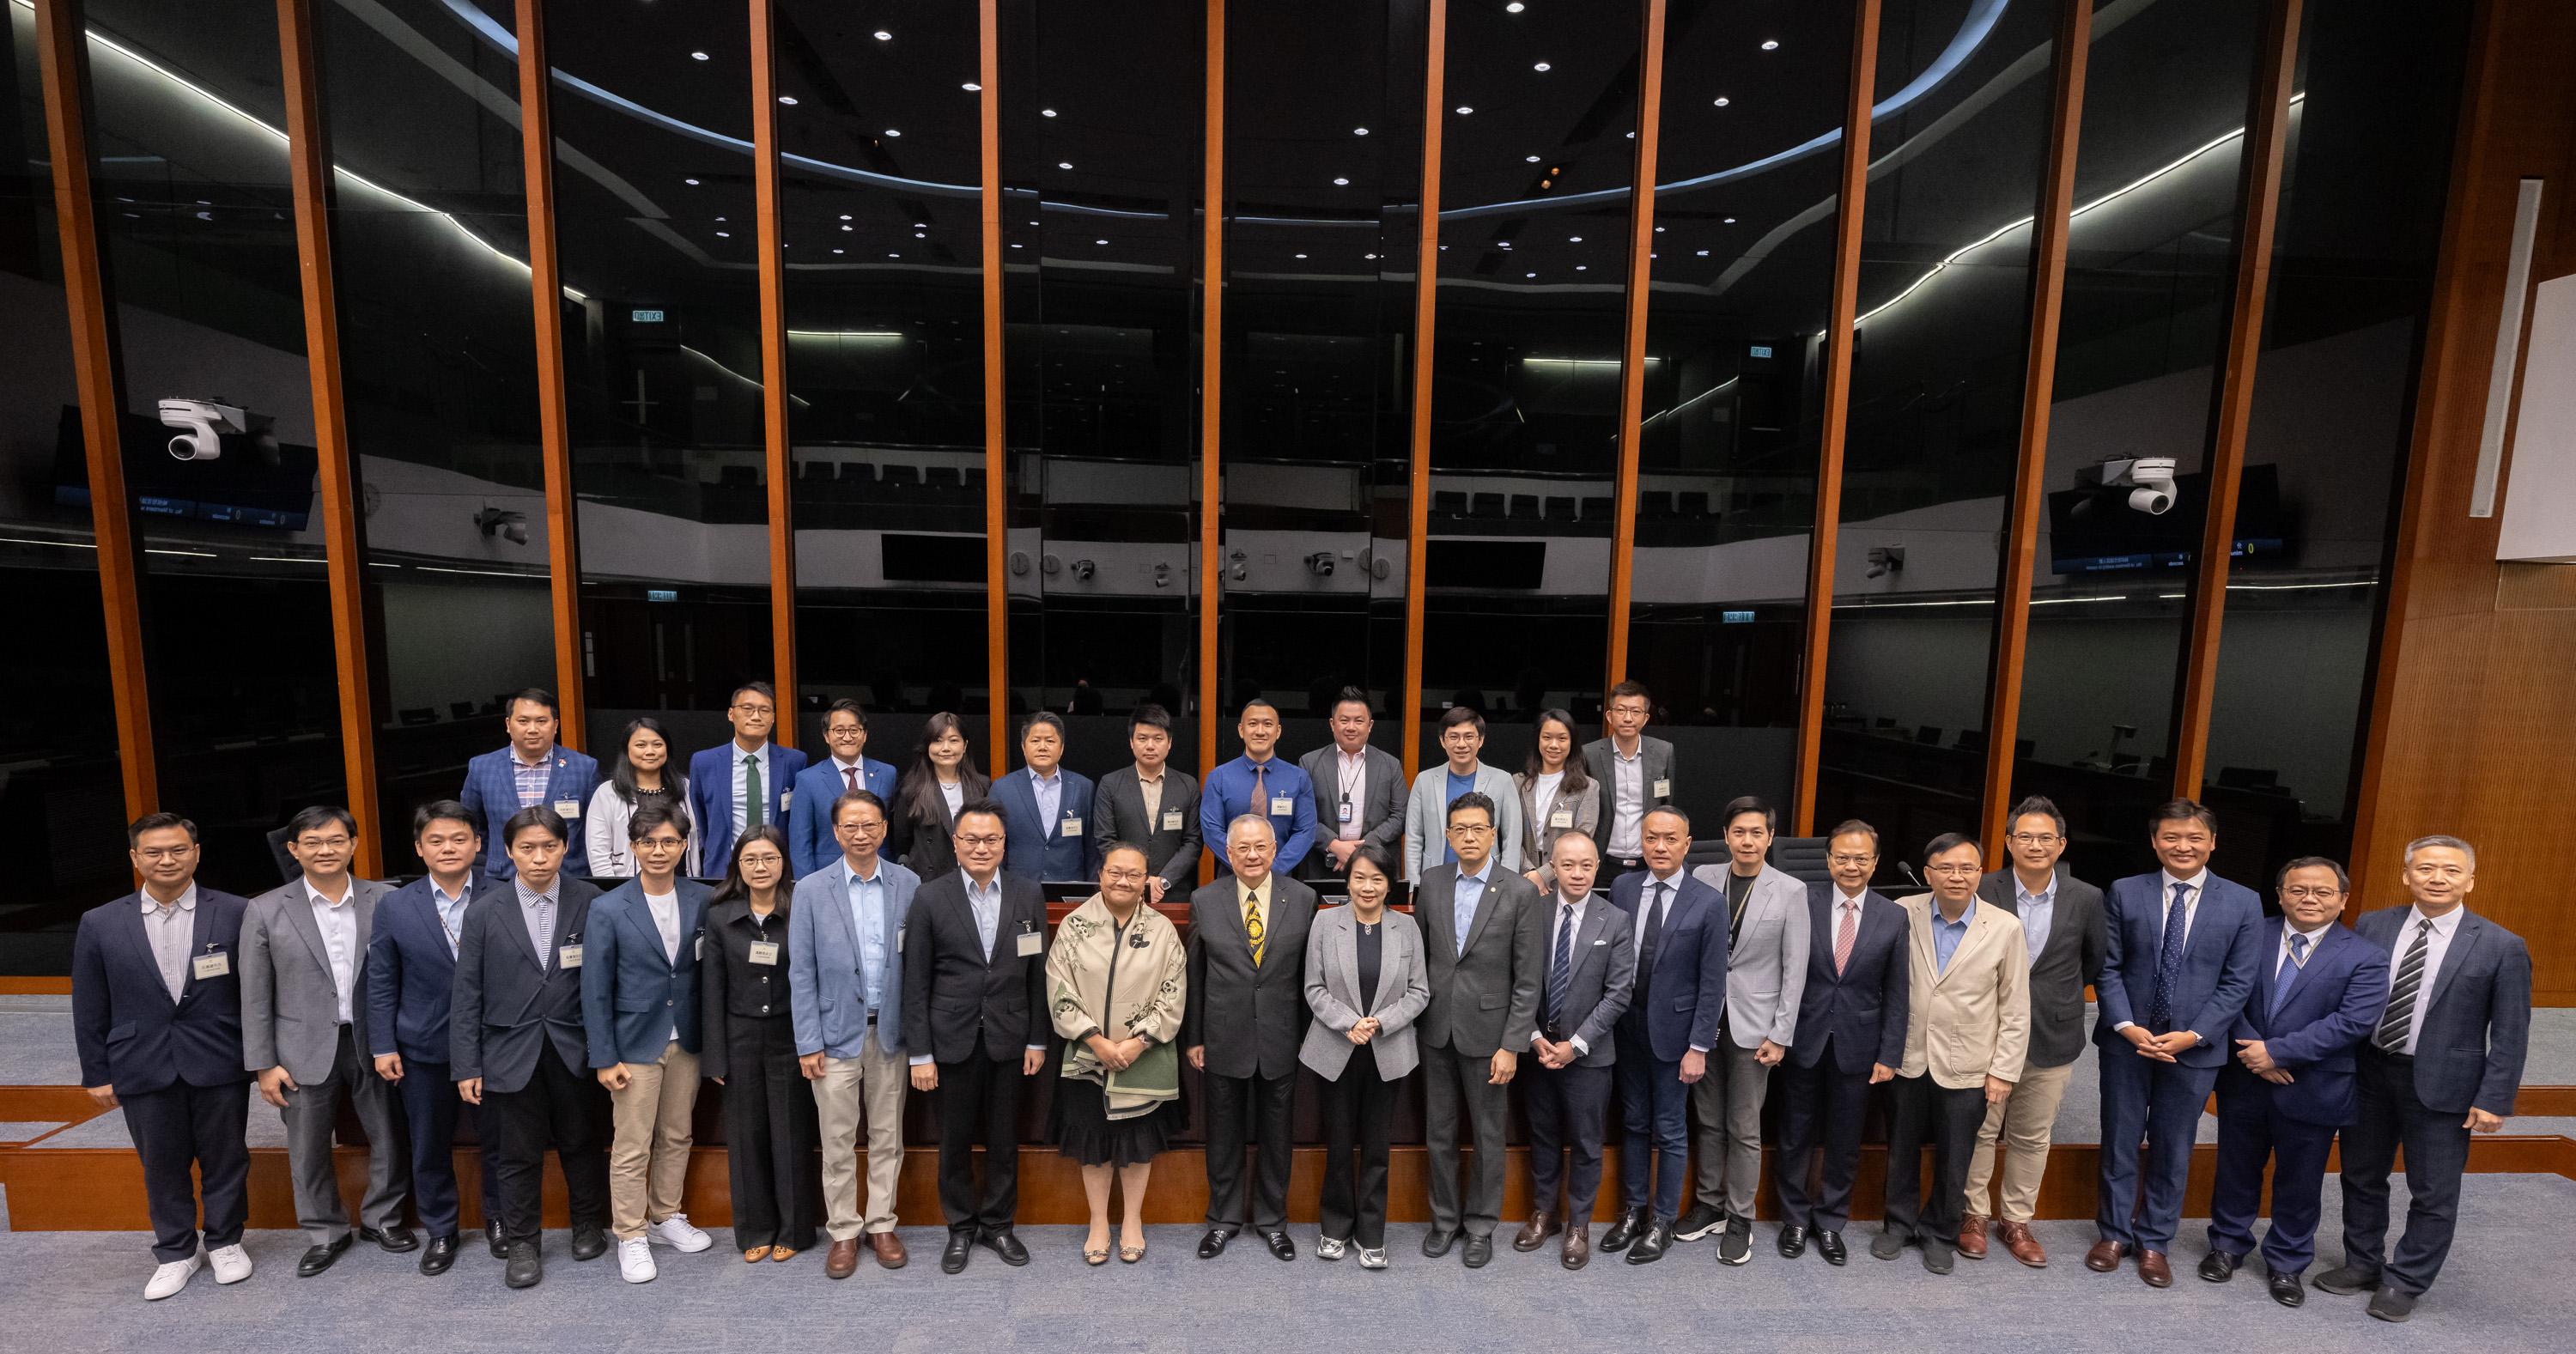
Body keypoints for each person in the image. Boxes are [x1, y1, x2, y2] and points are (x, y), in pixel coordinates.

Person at [2318, 834, 2531, 1322]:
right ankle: (2362, 1263)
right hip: (2369, 1072)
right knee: (2361, 1174)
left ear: (2471, 881)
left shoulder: (2502, 945)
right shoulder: (2373, 925)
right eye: (2427, 868)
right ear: (2406, 875)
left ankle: (2406, 1280)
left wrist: (2495, 1097)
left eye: (2452, 871)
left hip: (2445, 1084)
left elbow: (2513, 1032)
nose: (2438, 878)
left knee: (2434, 1190)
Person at [71, 813, 256, 1301]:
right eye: (153, 852)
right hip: (141, 1060)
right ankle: (176, 1250)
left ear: (196, 852)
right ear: (135, 859)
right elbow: (90, 1004)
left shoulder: (237, 912)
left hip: (218, 1055)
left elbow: (256, 992)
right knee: (161, 1162)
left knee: (226, 1156)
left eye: (178, 849)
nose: (167, 860)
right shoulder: (101, 922)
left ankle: (225, 1241)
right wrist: (97, 1072)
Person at [2088, 798, 2263, 1288]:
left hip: (2197, 1047)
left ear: (2212, 842)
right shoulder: (2125, 891)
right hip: (2128, 1042)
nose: (2182, 846)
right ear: (2154, 842)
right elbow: (2109, 966)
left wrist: (2193, 1035)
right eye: (2171, 837)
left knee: (2173, 1145)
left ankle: (2154, 1241)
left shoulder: (2243, 901)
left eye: (2193, 838)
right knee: (2120, 1139)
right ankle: (2114, 1234)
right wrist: (2125, 1024)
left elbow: (2238, 981)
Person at [2203, 857, 2388, 1307]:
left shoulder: (2365, 955)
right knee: (2235, 1166)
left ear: (2343, 900)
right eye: (2299, 890)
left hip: (2315, 1084)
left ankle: (2287, 1263)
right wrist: (2255, 1052)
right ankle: (2226, 1244)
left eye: (2323, 892)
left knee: (2301, 1180)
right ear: (2280, 894)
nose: (2310, 899)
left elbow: (2352, 1022)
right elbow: (2224, 992)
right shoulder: (2252, 934)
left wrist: (2278, 1053)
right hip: (2245, 1075)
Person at [242, 805, 409, 1278]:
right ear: (294, 850)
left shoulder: (387, 899)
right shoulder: (266, 908)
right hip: (299, 1048)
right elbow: (254, 995)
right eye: (312, 843)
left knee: (388, 1135)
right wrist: (263, 1063)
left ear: (354, 844)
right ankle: (324, 1231)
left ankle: (384, 1219)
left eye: (336, 840)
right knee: (307, 1146)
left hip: (375, 1040)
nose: (326, 850)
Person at [453, 806, 611, 1289]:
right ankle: (523, 1243)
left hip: (574, 1045)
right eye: (527, 848)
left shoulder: (592, 901)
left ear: (565, 848)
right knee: (516, 1153)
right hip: (509, 1050)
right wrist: (466, 1064)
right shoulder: (483, 911)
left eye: (549, 847)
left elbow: (605, 981)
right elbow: (467, 994)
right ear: (508, 852)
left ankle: (588, 1224)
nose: (539, 858)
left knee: (581, 1141)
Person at [902, 800, 1048, 1273]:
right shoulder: (930, 896)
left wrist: (1037, 1040)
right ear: (955, 843)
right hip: (951, 1041)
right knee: (956, 1141)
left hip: (1010, 1038)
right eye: (972, 839)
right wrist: (919, 1053)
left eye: (991, 840)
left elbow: (1038, 974)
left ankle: (1000, 1226)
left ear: (1004, 844)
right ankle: (961, 1229)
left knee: (1005, 1139)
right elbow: (916, 981)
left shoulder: (1029, 894)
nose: (981, 847)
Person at [1961, 795, 2105, 1266]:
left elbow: (2093, 962)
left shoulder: (2086, 897)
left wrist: (2053, 998)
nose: (2036, 845)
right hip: (1985, 1033)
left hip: (2052, 1033)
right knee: (1980, 1131)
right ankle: (1973, 1215)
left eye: (2046, 838)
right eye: (2025, 836)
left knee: (2031, 1134)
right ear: (2008, 842)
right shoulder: (1981, 888)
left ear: (2061, 844)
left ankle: (2017, 1221)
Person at [1875, 834, 2028, 1275]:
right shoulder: (1903, 912)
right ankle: (1898, 1225)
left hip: (1969, 1063)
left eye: (1966, 868)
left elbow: (2015, 1006)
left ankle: (1939, 1232)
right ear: (1928, 874)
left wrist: (2003, 1071)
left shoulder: (2004, 927)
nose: (1956, 876)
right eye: (1945, 868)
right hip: (1907, 1054)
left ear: (1981, 873)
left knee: (1955, 1153)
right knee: (1900, 1146)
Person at [368, 800, 505, 1272]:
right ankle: (441, 1231)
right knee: (428, 1143)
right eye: (437, 841)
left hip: (492, 1043)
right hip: (421, 1045)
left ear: (478, 844)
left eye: (459, 839)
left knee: (499, 1139)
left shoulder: (504, 894)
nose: (449, 848)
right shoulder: (395, 906)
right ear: (419, 849)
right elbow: (382, 980)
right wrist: (383, 1044)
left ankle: (500, 1220)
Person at [580, 801, 713, 1283]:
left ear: (684, 846)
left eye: (670, 842)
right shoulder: (608, 907)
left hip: (688, 1039)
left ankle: (666, 1215)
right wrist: (604, 1055)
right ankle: (631, 1234)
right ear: (633, 847)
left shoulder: (703, 899)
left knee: (677, 1134)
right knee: (632, 1143)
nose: (660, 851)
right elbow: (594, 988)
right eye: (649, 842)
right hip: (633, 1043)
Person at [790, 794, 918, 1277]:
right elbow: (801, 972)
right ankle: (843, 1231)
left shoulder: (909, 884)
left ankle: (882, 1223)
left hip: (891, 1032)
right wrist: (808, 1042)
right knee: (838, 1139)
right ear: (837, 832)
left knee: (888, 1136)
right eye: (850, 827)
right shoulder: (811, 890)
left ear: (884, 829)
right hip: (833, 1034)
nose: (860, 834)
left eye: (869, 825)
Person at [1413, 791, 1542, 1268]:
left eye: (1478, 829)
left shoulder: (1520, 891)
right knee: (1440, 1131)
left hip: (1491, 1036)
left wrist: (1512, 1045)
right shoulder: (1431, 882)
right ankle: (1445, 1221)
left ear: (1494, 834)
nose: (1468, 837)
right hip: (1436, 1030)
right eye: (1459, 830)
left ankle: (1481, 1226)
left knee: (1489, 1134)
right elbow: (1420, 958)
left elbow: (1529, 980)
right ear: (1448, 836)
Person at [1680, 795, 1809, 1262]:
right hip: (1705, 1023)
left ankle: (1740, 1216)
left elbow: (1795, 970)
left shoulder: (1791, 890)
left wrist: (1781, 1034)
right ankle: (1709, 1204)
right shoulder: (1703, 877)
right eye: (1739, 832)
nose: (1747, 840)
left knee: (1744, 1126)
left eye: (1757, 832)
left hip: (1755, 1026)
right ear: (1727, 836)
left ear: (1771, 837)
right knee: (1708, 1120)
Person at [1183, 816, 1319, 1260]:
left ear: (1275, 849)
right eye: (1243, 848)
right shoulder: (1205, 899)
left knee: (1278, 1135)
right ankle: (1223, 1219)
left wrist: (1306, 1034)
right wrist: (1195, 1037)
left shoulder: (1302, 899)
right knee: (1223, 1134)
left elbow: (1308, 976)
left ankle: (1272, 1221)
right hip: (1223, 1035)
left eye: (1261, 847)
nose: (1253, 856)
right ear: (1227, 851)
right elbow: (1196, 973)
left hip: (1283, 1036)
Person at [1047, 844, 1188, 1266]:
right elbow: (1059, 987)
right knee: (1093, 1143)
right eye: (1115, 872)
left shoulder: (1162, 930)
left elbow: (1173, 990)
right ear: (1100, 874)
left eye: (1133, 874)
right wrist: (1096, 1041)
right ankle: (1096, 1223)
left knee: (1136, 1145)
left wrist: (1136, 1042)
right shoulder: (1074, 925)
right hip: (1088, 1055)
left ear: (1146, 880)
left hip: (1141, 1056)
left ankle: (1131, 1221)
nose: (1123, 881)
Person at [1774, 820, 1907, 1266]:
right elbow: (1782, 972)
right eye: (1842, 857)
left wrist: (1890, 1054)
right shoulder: (1801, 902)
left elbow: (1897, 992)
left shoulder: (1894, 915)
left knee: (1845, 1139)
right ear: (1828, 860)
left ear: (1875, 862)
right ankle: (1794, 1218)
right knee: (1795, 1133)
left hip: (1860, 1045)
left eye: (1861, 858)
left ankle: (1830, 1222)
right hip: (1803, 1038)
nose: (1851, 866)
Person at [1601, 807, 1728, 1265]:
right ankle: (1634, 1212)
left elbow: (1713, 982)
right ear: (1641, 840)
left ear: (1687, 844)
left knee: (1670, 1130)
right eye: (1651, 838)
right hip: (1626, 1026)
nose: (1659, 847)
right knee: (1633, 1122)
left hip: (1676, 1036)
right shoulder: (1623, 887)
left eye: (1670, 839)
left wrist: (1699, 1046)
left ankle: (1662, 1222)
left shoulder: (1708, 901)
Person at [1302, 842, 1429, 1270]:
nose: (1368, 886)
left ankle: (1372, 1234)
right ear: (1348, 880)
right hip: (1336, 1049)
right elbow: (1313, 988)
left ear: (1389, 883)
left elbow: (1419, 992)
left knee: (1377, 1146)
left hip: (1388, 1049)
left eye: (1377, 878)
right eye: (1359, 878)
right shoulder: (1325, 923)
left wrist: (1380, 1023)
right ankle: (1334, 1228)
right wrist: (1348, 1023)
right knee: (1338, 1143)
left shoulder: (1406, 928)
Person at [1514, 834, 1634, 1270]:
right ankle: (1544, 1213)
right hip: (1538, 1051)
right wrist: (1531, 1036)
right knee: (1542, 1137)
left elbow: (1619, 995)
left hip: (1589, 1057)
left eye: (1585, 865)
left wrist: (1575, 1045)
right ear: (1553, 866)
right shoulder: (1534, 911)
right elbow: (1517, 978)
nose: (1577, 873)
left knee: (1585, 1143)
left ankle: (1579, 1224)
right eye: (1568, 865)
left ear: (1597, 866)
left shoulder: (1616, 920)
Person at [708, 823, 825, 1266]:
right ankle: (756, 1228)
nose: (761, 867)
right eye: (751, 860)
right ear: (738, 865)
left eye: (770, 858)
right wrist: (715, 1055)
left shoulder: (803, 907)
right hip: (738, 1039)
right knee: (747, 1137)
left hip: (791, 1037)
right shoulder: (721, 913)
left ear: (784, 862)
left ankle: (795, 1230)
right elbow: (711, 987)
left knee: (791, 1134)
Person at [459, 688, 598, 880]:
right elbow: (470, 826)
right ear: (508, 724)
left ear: (555, 725)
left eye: (541, 721)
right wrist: (485, 868)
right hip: (502, 879)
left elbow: (594, 830)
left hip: (569, 878)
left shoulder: (584, 767)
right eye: (523, 721)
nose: (533, 729)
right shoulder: (483, 767)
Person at [689, 681, 808, 872]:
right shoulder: (705, 762)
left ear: (773, 718)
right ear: (731, 714)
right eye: (747, 708)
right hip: (723, 868)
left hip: (775, 868)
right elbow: (701, 817)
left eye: (764, 710)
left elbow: (797, 819)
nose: (756, 716)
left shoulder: (793, 761)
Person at [1089, 704, 1202, 902]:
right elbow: (1106, 839)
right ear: (1132, 742)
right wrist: (1136, 879)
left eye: (1158, 738)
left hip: (1173, 892)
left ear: (1169, 743)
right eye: (1142, 738)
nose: (1150, 745)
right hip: (1123, 890)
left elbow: (1193, 841)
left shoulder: (1188, 785)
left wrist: (1163, 881)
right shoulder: (1110, 784)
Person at [1402, 707, 1525, 883]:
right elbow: (1414, 838)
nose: (1461, 744)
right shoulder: (1425, 780)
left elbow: (1511, 839)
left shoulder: (1502, 780)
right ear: (1442, 741)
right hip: (1436, 877)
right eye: (1453, 737)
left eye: (1469, 737)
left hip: (1487, 879)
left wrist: (1507, 885)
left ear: (1480, 740)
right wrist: (1413, 885)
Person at [1296, 687, 1404, 883]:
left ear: (1370, 725)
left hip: (1374, 868)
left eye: (1359, 721)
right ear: (1332, 724)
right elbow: (1302, 815)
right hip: (1323, 865)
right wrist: (1334, 845)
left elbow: (1400, 816)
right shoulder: (1310, 763)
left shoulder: (1390, 765)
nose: (1351, 727)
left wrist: (1362, 849)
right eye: (1344, 720)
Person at [1200, 698, 1320, 877]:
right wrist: (1244, 866)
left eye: (1268, 724)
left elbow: (1305, 831)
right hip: (1232, 878)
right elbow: (1212, 831)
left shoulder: (1298, 778)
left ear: (1278, 731)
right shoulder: (1219, 777)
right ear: (1241, 730)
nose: (1260, 731)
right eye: (1253, 724)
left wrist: (1274, 870)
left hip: (1282, 879)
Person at [787, 700, 900, 878]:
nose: (847, 737)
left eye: (854, 730)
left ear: (864, 735)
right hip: (827, 876)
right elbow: (800, 841)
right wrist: (806, 885)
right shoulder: (808, 779)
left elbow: (895, 832)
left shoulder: (887, 774)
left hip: (880, 872)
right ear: (826, 736)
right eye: (839, 731)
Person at [1583, 679, 1674, 883]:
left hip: (1647, 860)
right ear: (1609, 715)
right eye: (1621, 710)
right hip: (1601, 859)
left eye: (1635, 712)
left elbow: (1666, 803)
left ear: (1646, 718)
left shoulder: (1663, 752)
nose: (1628, 718)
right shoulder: (1589, 754)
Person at [993, 711, 1100, 883]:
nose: (1043, 747)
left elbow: (1092, 848)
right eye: (1035, 741)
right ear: (1023, 746)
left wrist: (1090, 888)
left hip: (1070, 889)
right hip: (1018, 888)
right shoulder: (1002, 788)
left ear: (1062, 747)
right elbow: (994, 844)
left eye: (1050, 741)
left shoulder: (1083, 787)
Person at [586, 716, 698, 879]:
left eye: (658, 745)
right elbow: (598, 851)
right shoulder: (607, 793)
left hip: (683, 883)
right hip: (625, 887)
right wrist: (611, 890)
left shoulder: (686, 788)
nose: (650, 751)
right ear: (627, 750)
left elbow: (698, 839)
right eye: (641, 745)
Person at [887, 711, 990, 882]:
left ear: (964, 746)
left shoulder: (983, 786)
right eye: (937, 741)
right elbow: (902, 842)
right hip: (929, 881)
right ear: (927, 747)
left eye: (954, 740)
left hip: (974, 878)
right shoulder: (911, 789)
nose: (946, 748)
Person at [1515, 709, 1601, 892]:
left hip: (1566, 880)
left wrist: (1543, 875)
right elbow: (1510, 835)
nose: (1554, 745)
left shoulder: (1587, 787)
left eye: (1562, 738)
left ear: (1572, 742)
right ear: (1538, 739)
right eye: (1547, 737)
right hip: (1522, 878)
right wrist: (1531, 873)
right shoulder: (1517, 782)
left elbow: (1583, 836)